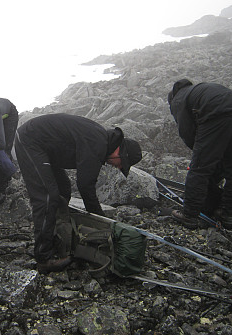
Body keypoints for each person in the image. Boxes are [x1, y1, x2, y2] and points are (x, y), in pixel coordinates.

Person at [14, 113, 142, 273]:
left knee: (64, 189)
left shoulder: (100, 141)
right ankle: (43, 258)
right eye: (121, 165)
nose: (117, 167)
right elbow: (85, 186)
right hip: (30, 141)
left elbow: (84, 183)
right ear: (120, 153)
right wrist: (101, 222)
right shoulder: (98, 143)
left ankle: (57, 235)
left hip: (44, 147)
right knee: (47, 196)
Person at [168, 79, 232, 229]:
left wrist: (204, 155)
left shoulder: (178, 99)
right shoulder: (198, 90)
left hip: (216, 112)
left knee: (199, 167)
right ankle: (227, 213)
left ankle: (189, 215)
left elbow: (187, 133)